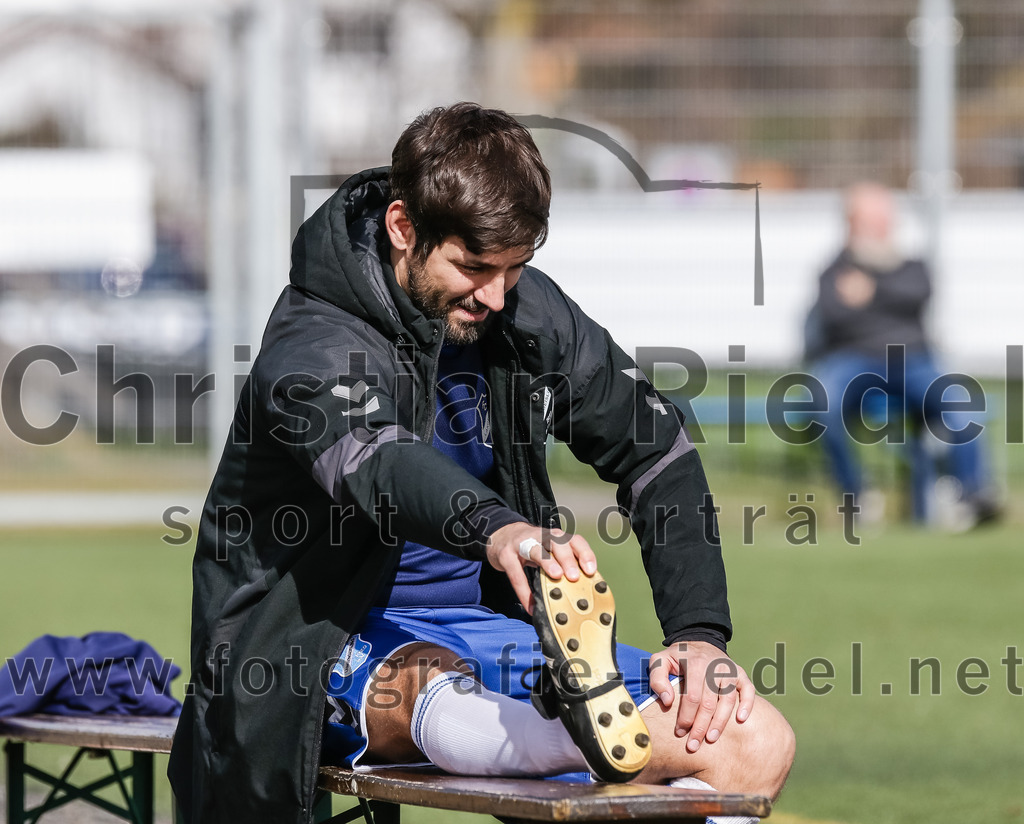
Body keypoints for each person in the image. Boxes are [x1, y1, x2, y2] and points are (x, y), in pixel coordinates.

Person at [168, 102, 795, 824]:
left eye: (516, 269)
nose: (495, 294)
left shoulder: (526, 314)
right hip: (303, 649)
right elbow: (382, 465)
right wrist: (499, 529)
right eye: (473, 266)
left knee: (753, 740)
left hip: (491, 630)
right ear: (404, 228)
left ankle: (565, 727)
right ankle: (557, 731)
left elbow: (657, 449)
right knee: (445, 692)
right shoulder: (311, 342)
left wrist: (696, 637)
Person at [806, 181, 1000, 526]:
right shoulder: (833, 269)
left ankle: (972, 496)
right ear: (851, 222)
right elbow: (835, 313)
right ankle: (855, 496)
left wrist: (872, 290)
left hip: (914, 361)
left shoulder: (912, 265)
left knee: (962, 406)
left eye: (885, 218)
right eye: (873, 219)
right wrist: (885, 297)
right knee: (822, 405)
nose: (883, 226)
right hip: (852, 361)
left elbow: (919, 293)